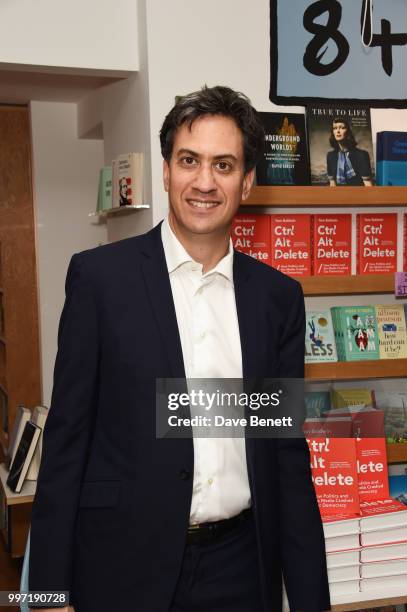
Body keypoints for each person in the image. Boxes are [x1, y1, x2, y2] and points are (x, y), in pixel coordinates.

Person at [29, 85, 330, 612]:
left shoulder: (276, 299)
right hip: (121, 569)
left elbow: (284, 456)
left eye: (224, 164)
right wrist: (47, 594)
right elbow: (68, 440)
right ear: (166, 170)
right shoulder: (101, 281)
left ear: (249, 181)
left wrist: (311, 601)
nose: (205, 182)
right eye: (189, 161)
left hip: (241, 570)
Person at [327, 117, 373, 186]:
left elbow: (368, 186)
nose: (338, 131)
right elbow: (332, 184)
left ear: (348, 131)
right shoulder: (331, 156)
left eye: (342, 128)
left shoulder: (361, 155)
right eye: (335, 128)